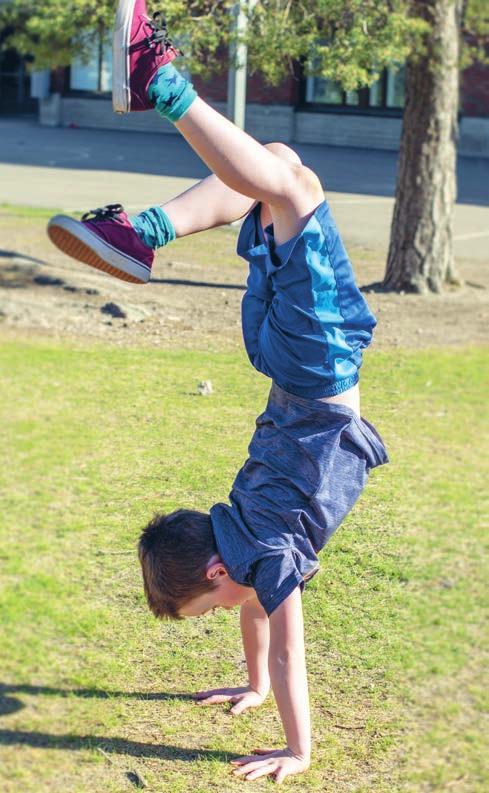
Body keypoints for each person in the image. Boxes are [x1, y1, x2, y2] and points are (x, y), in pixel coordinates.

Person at [47, 0, 389, 784]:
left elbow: (281, 632)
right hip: (277, 356)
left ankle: (160, 82)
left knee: (290, 188)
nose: (235, 607)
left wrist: (297, 748)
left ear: (213, 573)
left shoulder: (261, 555)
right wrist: (253, 683)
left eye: (217, 604)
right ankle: (145, 233)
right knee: (278, 165)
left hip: (314, 365)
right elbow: (253, 614)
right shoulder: (237, 531)